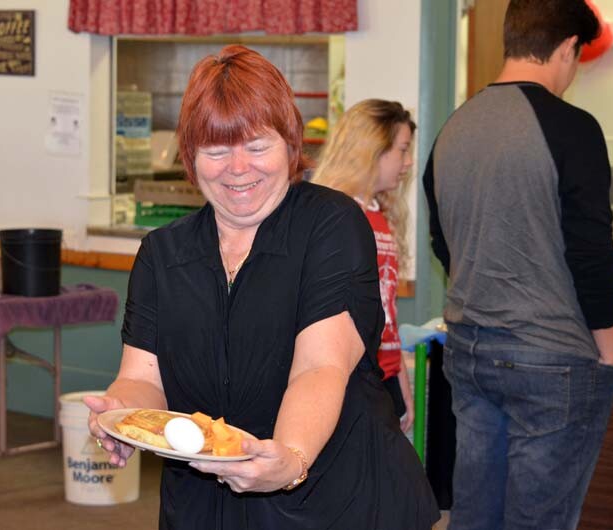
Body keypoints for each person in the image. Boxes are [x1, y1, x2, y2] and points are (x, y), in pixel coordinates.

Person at [84, 45, 439, 529]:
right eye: (216, 150)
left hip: (333, 498)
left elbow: (319, 366)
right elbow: (144, 378)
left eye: (256, 147)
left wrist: (290, 458)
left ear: (290, 145)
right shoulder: (163, 254)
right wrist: (122, 413)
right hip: (203, 508)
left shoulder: (331, 225)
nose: (238, 168)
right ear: (191, 156)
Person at [423, 1, 613, 529]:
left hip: (470, 348)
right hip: (551, 357)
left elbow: (444, 242)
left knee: (475, 515)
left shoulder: (453, 129)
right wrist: (610, 349)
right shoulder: (574, 128)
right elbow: (591, 251)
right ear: (567, 48)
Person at [311, 99, 416, 432]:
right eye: (402, 150)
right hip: (353, 380)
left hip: (385, 376)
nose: (409, 162)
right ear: (373, 150)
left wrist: (401, 381)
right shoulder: (337, 216)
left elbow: (387, 309)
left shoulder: (378, 215)